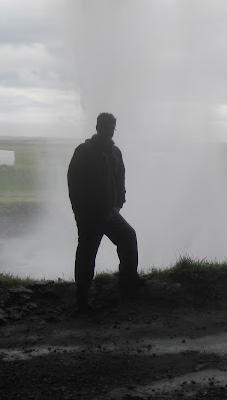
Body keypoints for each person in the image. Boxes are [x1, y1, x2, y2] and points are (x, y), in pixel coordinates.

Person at [67, 112, 143, 312]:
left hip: (109, 213)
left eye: (112, 127)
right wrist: (80, 212)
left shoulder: (115, 152)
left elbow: (120, 179)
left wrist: (119, 203)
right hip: (90, 215)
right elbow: (73, 183)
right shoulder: (83, 151)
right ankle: (82, 299)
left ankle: (128, 282)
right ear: (98, 127)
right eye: (106, 127)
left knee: (128, 236)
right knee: (87, 254)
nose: (109, 131)